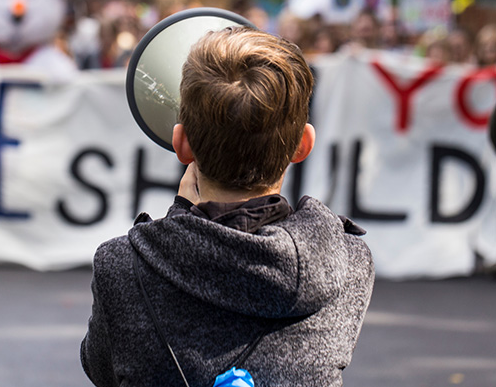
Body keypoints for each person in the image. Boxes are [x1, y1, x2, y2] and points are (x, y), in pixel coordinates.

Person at [81, 27, 374, 386]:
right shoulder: (349, 263)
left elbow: (102, 368)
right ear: (303, 145)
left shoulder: (121, 267)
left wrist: (180, 217)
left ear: (181, 143)